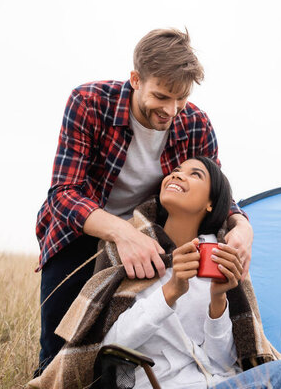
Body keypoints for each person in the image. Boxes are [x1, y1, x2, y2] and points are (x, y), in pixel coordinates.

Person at [28, 157, 281, 388]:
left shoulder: (216, 257)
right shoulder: (135, 250)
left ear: (212, 203)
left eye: (194, 174)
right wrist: (170, 291)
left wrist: (219, 300)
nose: (176, 176)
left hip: (220, 381)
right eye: (174, 171)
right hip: (163, 385)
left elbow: (221, 359)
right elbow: (108, 346)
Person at [34, 28, 254, 375]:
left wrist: (243, 226)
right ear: (135, 79)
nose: (171, 110)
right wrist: (123, 234)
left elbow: (217, 191)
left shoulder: (195, 124)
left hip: (151, 236)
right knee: (59, 353)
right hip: (79, 234)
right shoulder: (89, 102)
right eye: (162, 96)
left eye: (180, 99)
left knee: (127, 344)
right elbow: (64, 193)